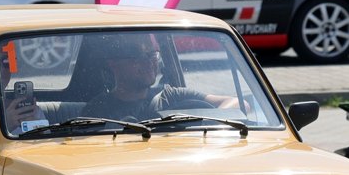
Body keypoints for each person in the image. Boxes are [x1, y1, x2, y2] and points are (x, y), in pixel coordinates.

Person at [81, 34, 237, 120]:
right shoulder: (97, 110)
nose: (149, 62)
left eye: (152, 55)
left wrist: (209, 120)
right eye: (137, 57)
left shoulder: (172, 95)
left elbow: (237, 103)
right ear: (114, 64)